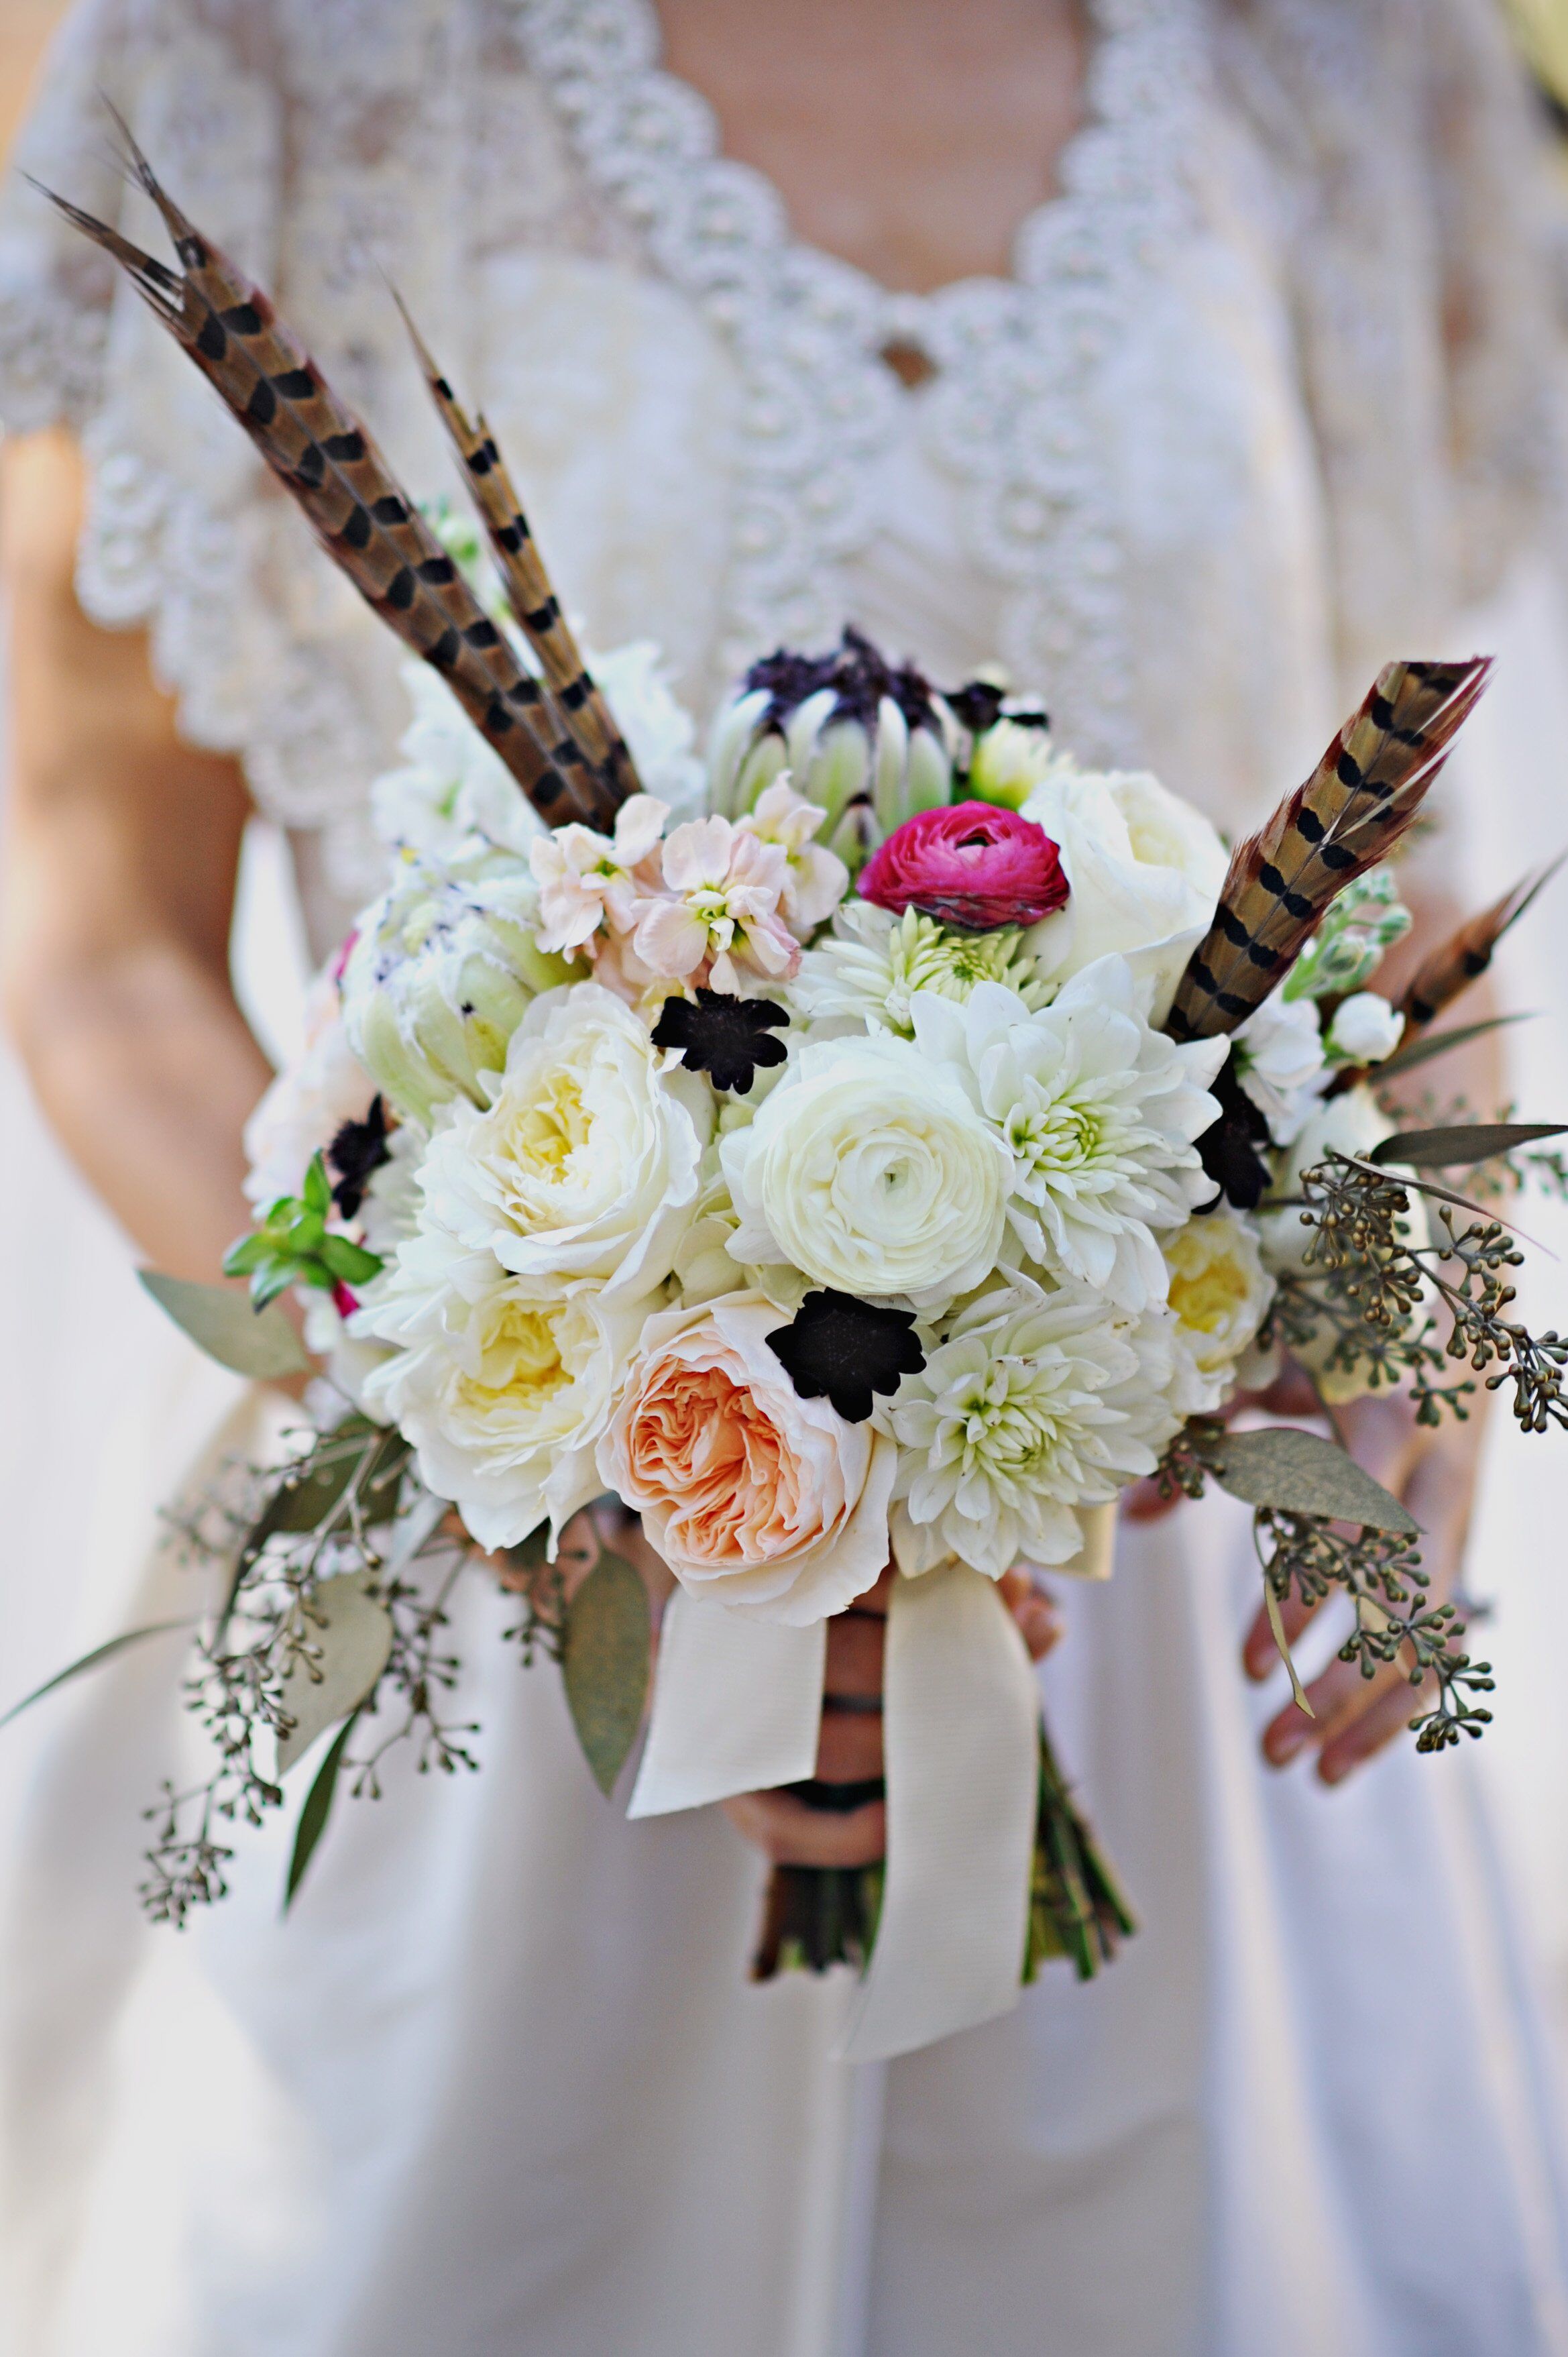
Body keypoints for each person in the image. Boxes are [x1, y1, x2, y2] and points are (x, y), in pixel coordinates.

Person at [1, 1, 1567, 2349]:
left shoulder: (1342, 58)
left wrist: (1421, 1296)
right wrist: (504, 1452)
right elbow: (94, 919)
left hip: (1149, 1611)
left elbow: (1394, 862)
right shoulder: (264, 49)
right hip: (500, 1549)